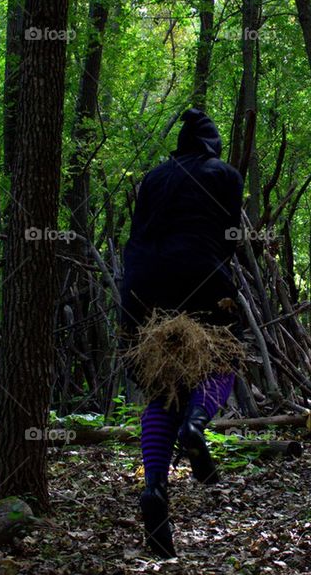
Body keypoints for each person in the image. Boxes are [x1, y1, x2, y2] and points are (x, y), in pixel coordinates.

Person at [120, 108, 245, 558]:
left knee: (161, 383)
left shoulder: (154, 177)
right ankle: (195, 427)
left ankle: (154, 488)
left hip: (141, 285)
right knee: (224, 356)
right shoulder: (225, 174)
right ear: (212, 143)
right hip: (199, 273)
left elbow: (137, 229)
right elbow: (230, 234)